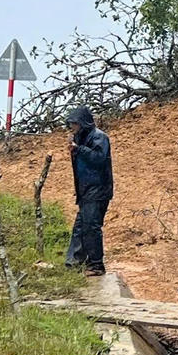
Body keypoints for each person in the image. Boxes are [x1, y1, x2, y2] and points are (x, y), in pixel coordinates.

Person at [65, 106, 113, 276]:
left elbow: (98, 159)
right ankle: (74, 262)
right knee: (80, 226)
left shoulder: (100, 137)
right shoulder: (81, 138)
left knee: (91, 227)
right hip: (86, 190)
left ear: (83, 123)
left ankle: (96, 265)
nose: (73, 127)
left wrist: (78, 149)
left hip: (98, 189)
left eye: (75, 124)